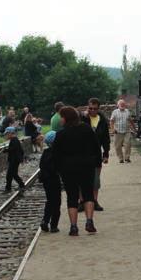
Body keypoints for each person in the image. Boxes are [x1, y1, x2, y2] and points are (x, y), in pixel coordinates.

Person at [52, 106, 102, 236]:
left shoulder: (61, 134)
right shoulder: (87, 129)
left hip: (68, 169)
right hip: (87, 166)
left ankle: (73, 227)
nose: (60, 119)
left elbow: (55, 154)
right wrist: (97, 163)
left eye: (61, 117)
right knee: (88, 194)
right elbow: (96, 148)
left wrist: (58, 169)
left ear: (66, 118)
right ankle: (89, 221)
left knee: (72, 197)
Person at [81, 97, 110, 211]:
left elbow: (106, 138)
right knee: (81, 179)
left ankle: (94, 201)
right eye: (90, 108)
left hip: (96, 154)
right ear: (87, 107)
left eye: (95, 109)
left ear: (98, 109)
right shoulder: (82, 118)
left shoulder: (102, 120)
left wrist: (106, 154)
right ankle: (82, 201)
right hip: (82, 153)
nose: (92, 111)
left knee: (95, 180)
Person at [39, 131, 61, 233]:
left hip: (46, 180)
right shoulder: (58, 153)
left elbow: (41, 166)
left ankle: (45, 220)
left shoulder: (45, 152)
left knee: (49, 201)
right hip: (54, 179)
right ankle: (54, 225)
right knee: (56, 202)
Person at [3, 126, 25, 193]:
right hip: (15, 160)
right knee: (11, 174)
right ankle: (9, 187)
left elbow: (13, 149)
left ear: (10, 133)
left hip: (14, 160)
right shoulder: (14, 140)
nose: (6, 136)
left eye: (7, 134)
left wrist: (6, 150)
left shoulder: (14, 140)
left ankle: (20, 185)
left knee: (12, 174)